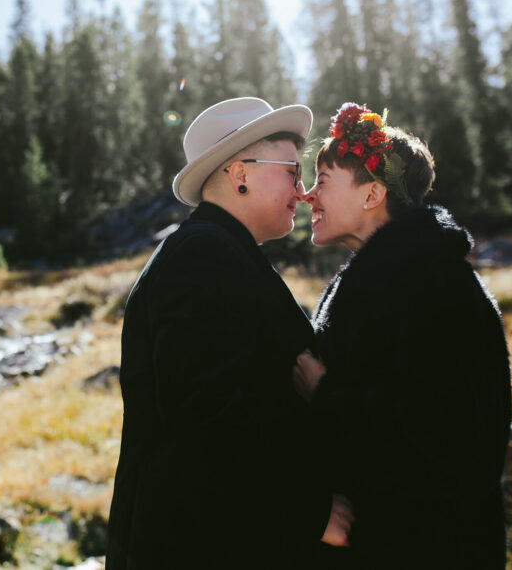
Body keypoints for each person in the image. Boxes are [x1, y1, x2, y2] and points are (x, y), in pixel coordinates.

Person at [107, 97, 353, 568]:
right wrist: (311, 512)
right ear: (240, 174)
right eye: (291, 171)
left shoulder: (218, 250)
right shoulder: (203, 258)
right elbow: (206, 418)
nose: (303, 192)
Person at [294, 102, 512, 568]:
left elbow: (454, 441)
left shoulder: (438, 289)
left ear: (372, 194)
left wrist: (325, 394)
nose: (307, 196)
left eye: (323, 181)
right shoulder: (372, 279)